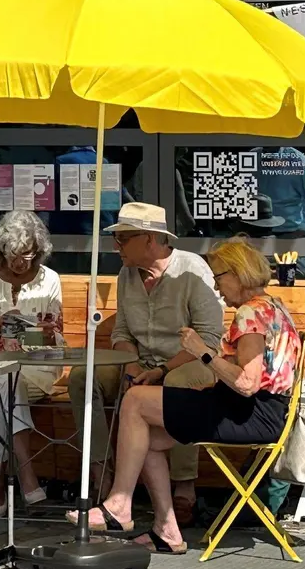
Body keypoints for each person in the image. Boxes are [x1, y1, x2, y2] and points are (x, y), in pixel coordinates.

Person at [88, 238, 303, 554]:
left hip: (248, 413)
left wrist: (202, 352)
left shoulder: (249, 315)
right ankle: (166, 529)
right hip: (264, 413)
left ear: (236, 273)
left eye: (218, 279)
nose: (217, 289)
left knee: (135, 400)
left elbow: (247, 383)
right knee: (144, 435)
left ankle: (120, 502)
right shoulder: (274, 307)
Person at [69, 202, 223, 528]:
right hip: (139, 362)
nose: (116, 246)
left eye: (123, 239)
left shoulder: (192, 271)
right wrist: (132, 367)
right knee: (84, 377)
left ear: (149, 240)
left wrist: (163, 371)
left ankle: (185, 487)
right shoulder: (127, 274)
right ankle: (101, 470)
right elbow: (122, 331)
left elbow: (208, 339)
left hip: (189, 361)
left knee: (178, 385)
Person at [0, 210, 64, 517]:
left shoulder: (50, 280)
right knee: (5, 381)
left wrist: (46, 335)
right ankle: (27, 475)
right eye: (14, 254)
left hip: (35, 370)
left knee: (1, 394)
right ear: (1, 248)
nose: (21, 263)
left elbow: (57, 343)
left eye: (28, 255)